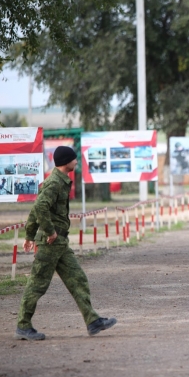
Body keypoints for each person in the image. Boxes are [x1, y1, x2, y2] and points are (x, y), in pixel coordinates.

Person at [15, 146, 116, 341]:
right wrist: (46, 232)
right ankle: (23, 325)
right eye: (74, 159)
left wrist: (29, 236)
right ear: (65, 162)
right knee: (38, 285)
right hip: (49, 243)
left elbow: (38, 209)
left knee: (78, 278)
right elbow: (40, 207)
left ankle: (92, 320)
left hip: (59, 243)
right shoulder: (54, 183)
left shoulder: (60, 181)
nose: (77, 162)